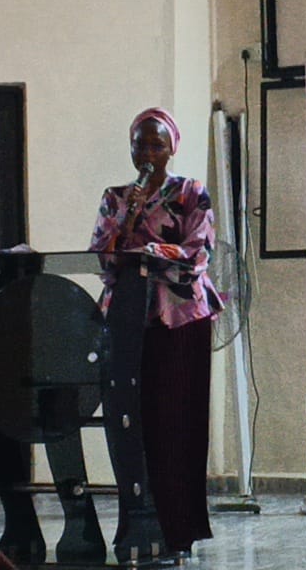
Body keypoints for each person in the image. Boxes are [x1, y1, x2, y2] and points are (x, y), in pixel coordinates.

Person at [88, 107, 224, 557]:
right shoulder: (115, 197)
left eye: (156, 144)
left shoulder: (190, 192)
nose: (147, 153)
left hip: (179, 319)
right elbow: (102, 257)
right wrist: (127, 220)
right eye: (140, 145)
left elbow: (198, 253)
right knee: (132, 421)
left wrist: (150, 251)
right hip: (128, 319)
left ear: (171, 149)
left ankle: (177, 530)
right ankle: (137, 525)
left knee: (174, 421)